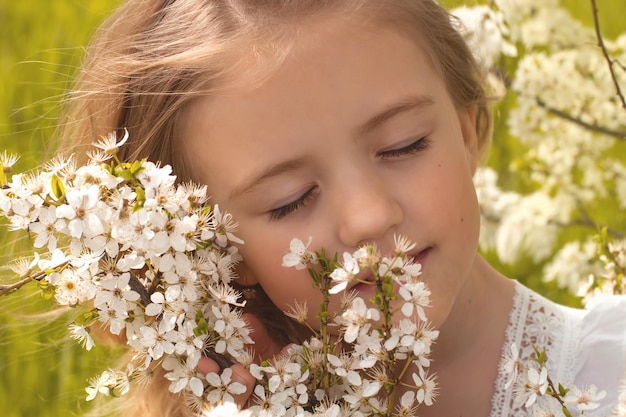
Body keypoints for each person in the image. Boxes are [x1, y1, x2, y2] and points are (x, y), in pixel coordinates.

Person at [53, 0, 626, 416]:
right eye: (290, 201)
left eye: (404, 145)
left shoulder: (612, 375)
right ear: (216, 255)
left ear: (469, 128)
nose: (370, 216)